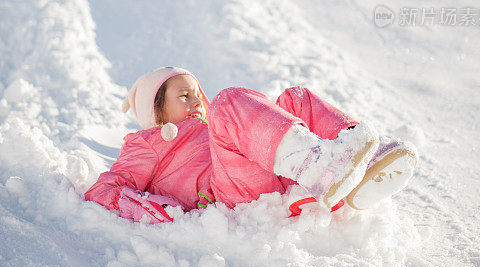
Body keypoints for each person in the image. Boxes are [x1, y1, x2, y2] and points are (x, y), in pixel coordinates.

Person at [84, 66, 418, 224]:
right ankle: (323, 169)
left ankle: (364, 164)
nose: (197, 101)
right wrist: (153, 209)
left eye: (197, 92)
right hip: (227, 193)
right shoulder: (148, 142)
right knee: (229, 101)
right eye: (184, 96)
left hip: (268, 170)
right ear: (155, 111)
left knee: (295, 98)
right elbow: (104, 191)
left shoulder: (210, 125)